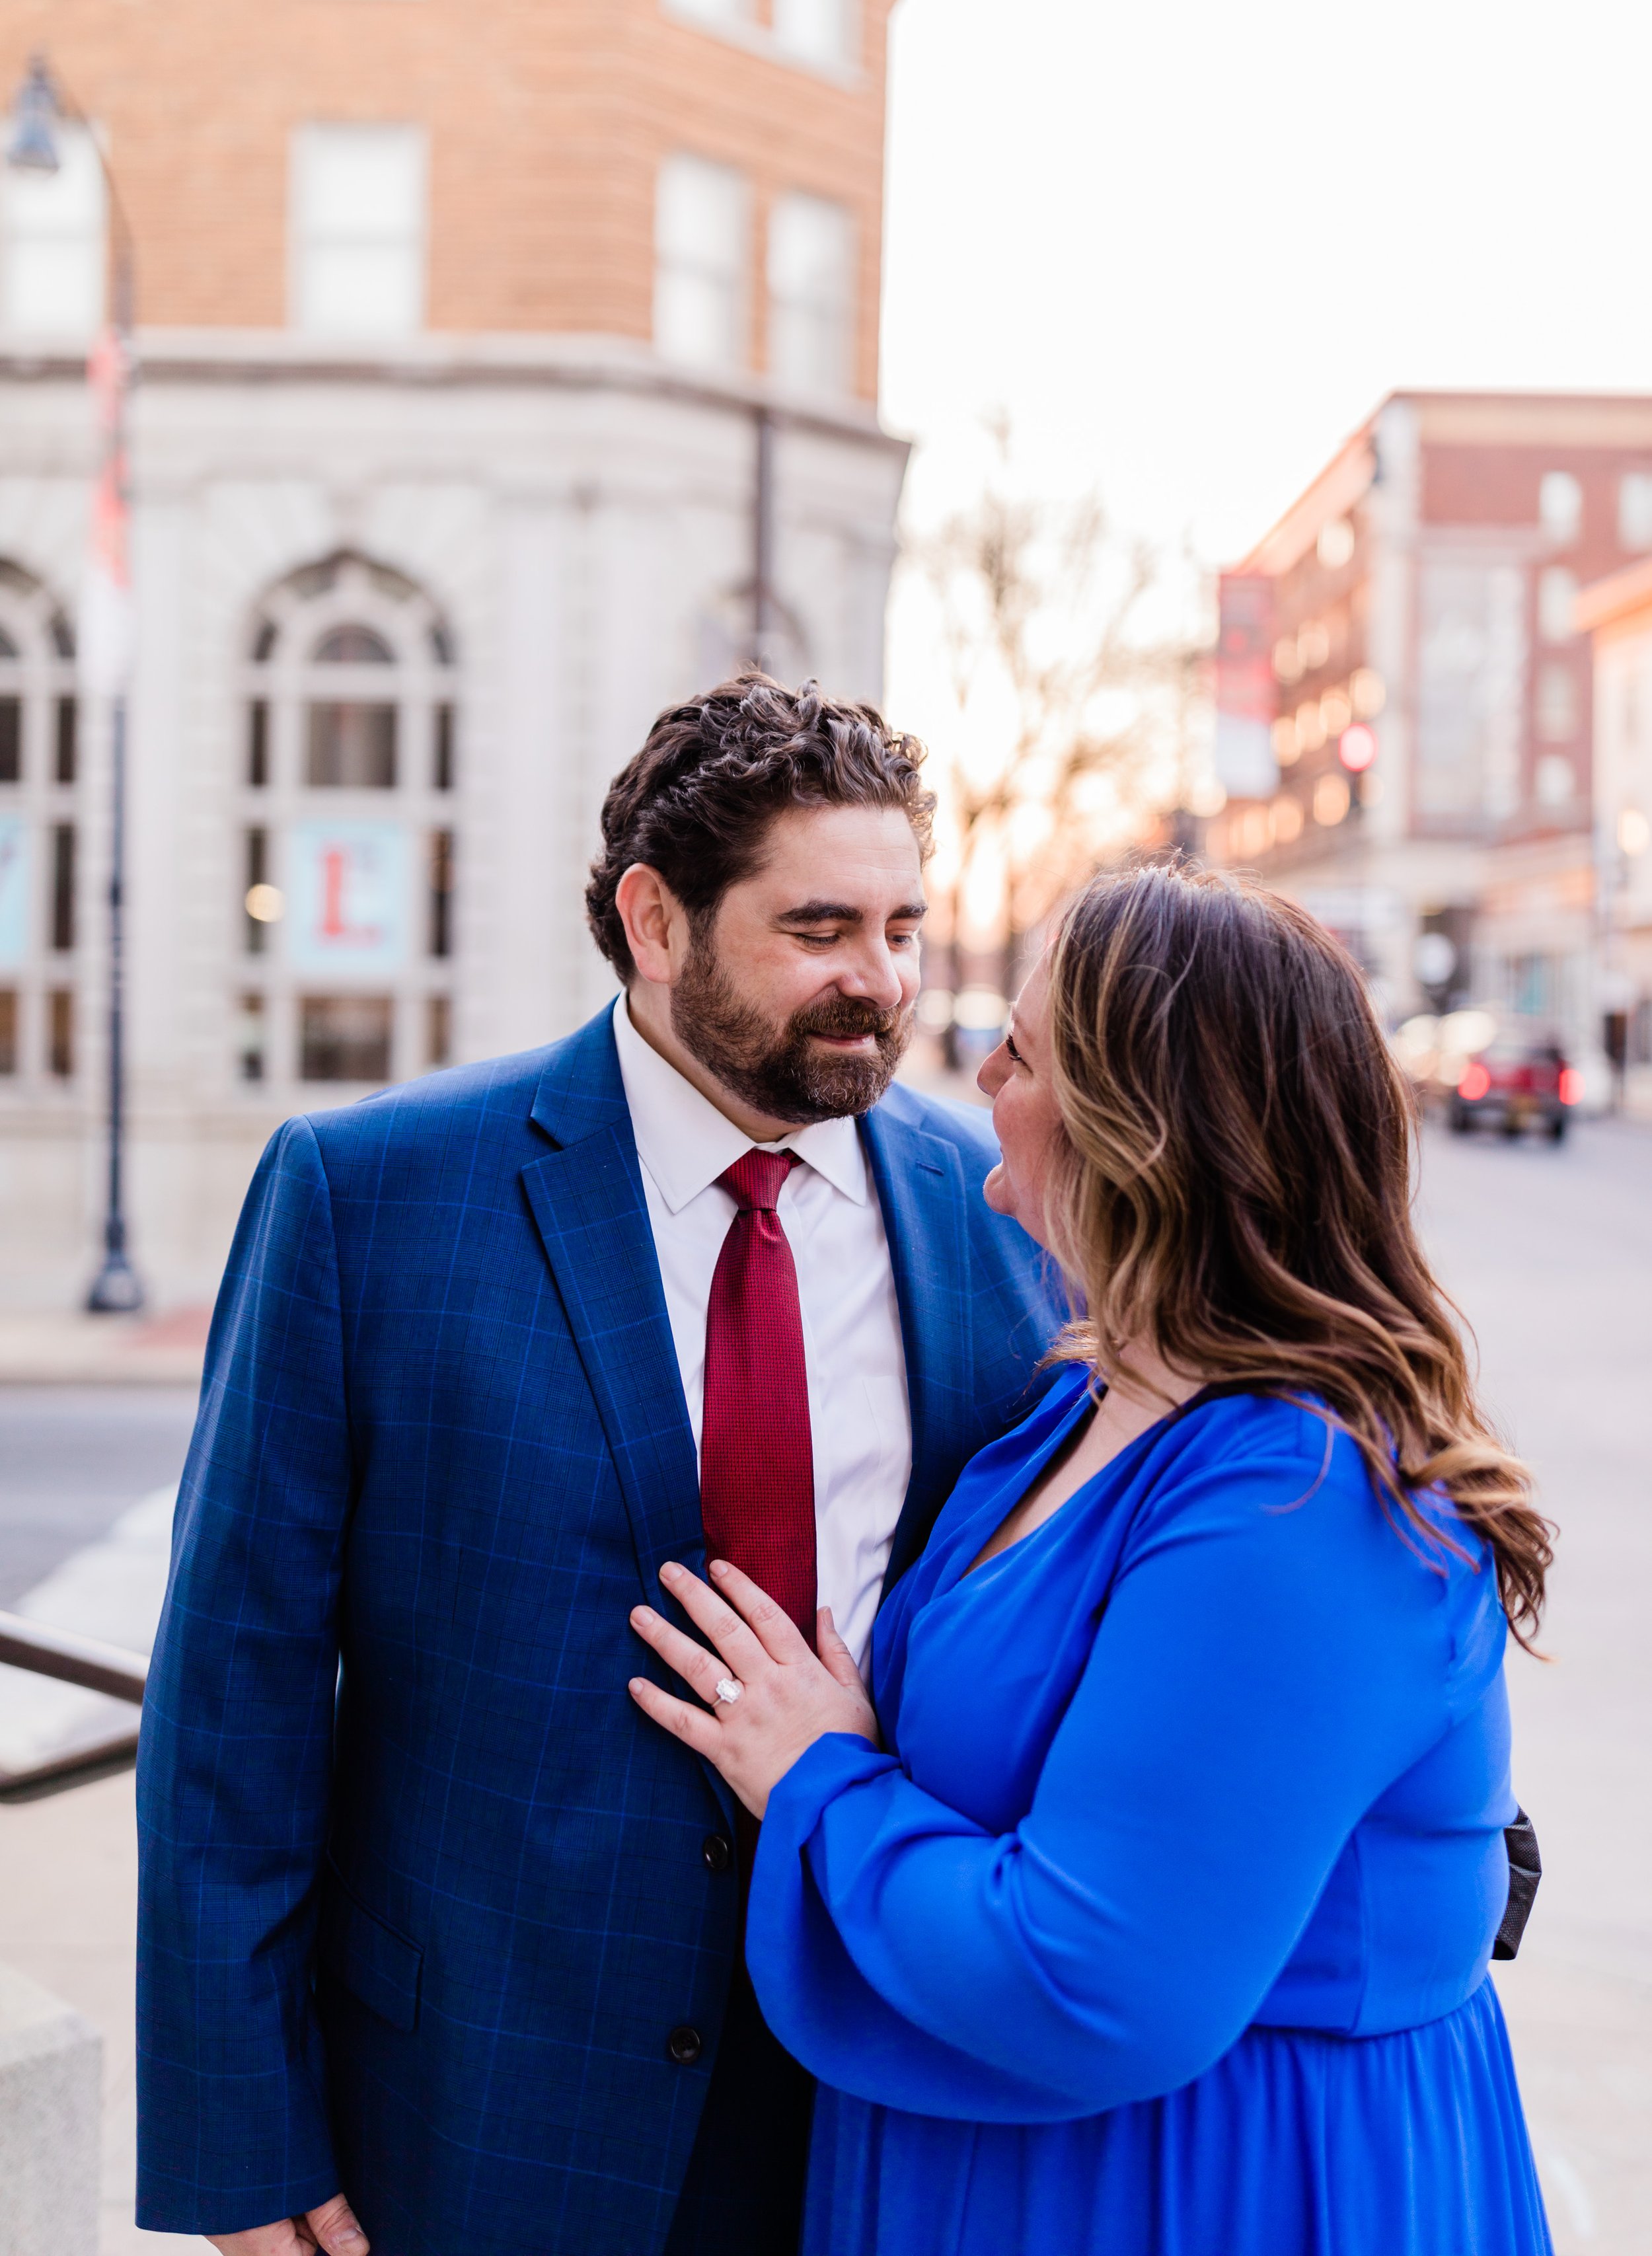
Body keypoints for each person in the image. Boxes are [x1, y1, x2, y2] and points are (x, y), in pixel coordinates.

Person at [135, 677, 1062, 2256]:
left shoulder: (999, 1207)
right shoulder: (372, 1199)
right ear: (654, 919)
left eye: (904, 927)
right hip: (484, 2102)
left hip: (890, 2093)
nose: (881, 984)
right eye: (820, 929)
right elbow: (237, 1697)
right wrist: (246, 2138)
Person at [627, 860, 1557, 2256]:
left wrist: (817, 1775)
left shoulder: (1298, 1495)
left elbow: (1093, 1979)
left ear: (1142, 1133)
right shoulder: (1082, 1394)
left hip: (1215, 2187)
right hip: (1022, 2169)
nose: (975, 1065)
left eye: (1025, 1049)